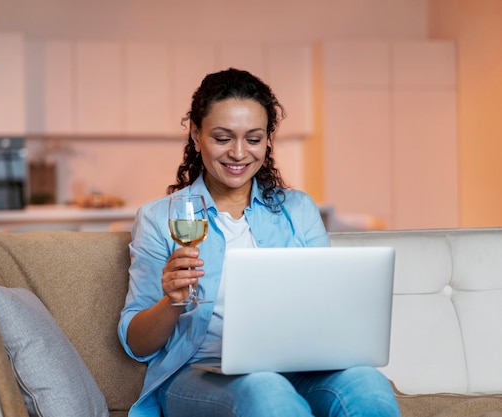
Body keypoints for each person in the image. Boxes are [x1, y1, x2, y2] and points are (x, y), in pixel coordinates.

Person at [118, 68, 400, 417]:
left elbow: (327, 308)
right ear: (195, 134)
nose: (239, 153)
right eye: (223, 138)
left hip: (297, 368)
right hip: (198, 373)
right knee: (267, 389)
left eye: (253, 139)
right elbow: (136, 343)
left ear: (268, 139)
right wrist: (172, 302)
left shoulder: (299, 210)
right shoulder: (160, 218)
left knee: (367, 384)